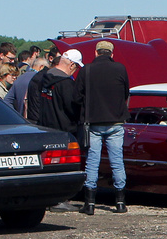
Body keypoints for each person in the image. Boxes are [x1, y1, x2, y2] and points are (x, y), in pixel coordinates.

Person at [75, 41, 131, 213]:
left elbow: (77, 97)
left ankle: (90, 204)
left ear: (96, 52)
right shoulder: (121, 69)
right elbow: (126, 93)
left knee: (92, 162)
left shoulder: (87, 70)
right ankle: (120, 203)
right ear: (111, 54)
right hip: (116, 121)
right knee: (117, 162)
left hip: (93, 122)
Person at [25, 49, 82, 136]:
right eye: (77, 67)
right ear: (72, 65)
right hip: (64, 131)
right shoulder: (66, 84)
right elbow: (73, 108)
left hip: (45, 128)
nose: (76, 70)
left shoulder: (42, 77)